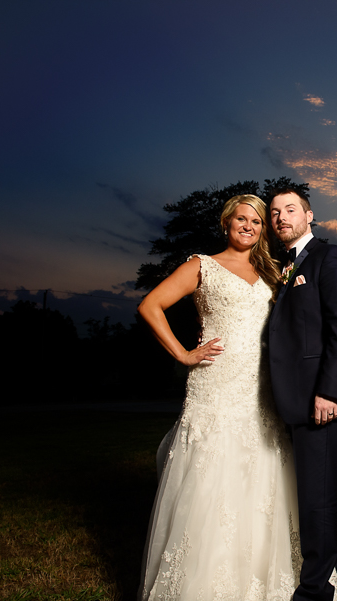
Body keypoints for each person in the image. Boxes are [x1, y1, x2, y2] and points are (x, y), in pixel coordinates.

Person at [137, 194, 301, 601]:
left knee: (263, 471)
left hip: (261, 389)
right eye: (241, 219)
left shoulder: (274, 273)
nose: (249, 226)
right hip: (216, 386)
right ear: (226, 223)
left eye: (257, 221)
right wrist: (183, 353)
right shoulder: (202, 265)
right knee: (212, 475)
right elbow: (150, 305)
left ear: (263, 229)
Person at [268, 188, 337, 601]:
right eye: (274, 212)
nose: (280, 217)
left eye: (290, 209)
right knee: (306, 497)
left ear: (310, 216)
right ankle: (331, 575)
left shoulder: (332, 256)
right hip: (290, 399)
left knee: (317, 500)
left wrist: (329, 391)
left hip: (321, 401)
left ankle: (317, 591)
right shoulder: (281, 266)